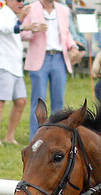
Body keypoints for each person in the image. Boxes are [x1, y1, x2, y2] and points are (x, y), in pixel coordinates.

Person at [21, 0, 82, 140]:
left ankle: (55, 137)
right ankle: (35, 138)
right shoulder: (31, 8)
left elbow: (66, 33)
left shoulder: (63, 9)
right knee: (38, 102)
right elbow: (22, 33)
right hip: (40, 60)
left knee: (59, 102)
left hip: (59, 58)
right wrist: (33, 29)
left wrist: (72, 47)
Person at [0, 0, 34, 146]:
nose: (21, 3)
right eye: (18, 0)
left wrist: (31, 28)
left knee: (21, 101)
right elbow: (4, 28)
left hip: (15, 67)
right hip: (3, 65)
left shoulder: (13, 17)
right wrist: (23, 25)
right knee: (0, 101)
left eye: (23, 1)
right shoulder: (2, 14)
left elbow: (16, 33)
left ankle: (9, 137)